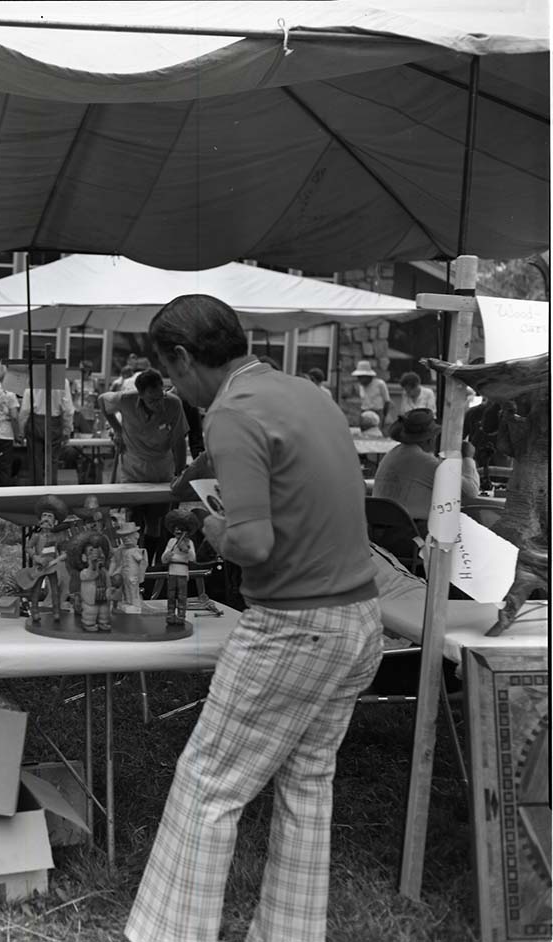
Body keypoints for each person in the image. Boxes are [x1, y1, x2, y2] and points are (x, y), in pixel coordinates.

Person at [126, 294, 383, 942]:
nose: (178, 388)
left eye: (171, 371)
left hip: (293, 626)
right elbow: (295, 475)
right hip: (359, 619)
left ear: (182, 359)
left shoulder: (230, 412)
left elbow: (253, 544)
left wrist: (206, 521)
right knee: (306, 787)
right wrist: (206, 473)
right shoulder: (304, 392)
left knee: (206, 784)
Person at [100, 368, 187, 542]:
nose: (159, 403)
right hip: (134, 470)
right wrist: (118, 430)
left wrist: (180, 473)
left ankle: (150, 564)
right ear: (140, 395)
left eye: (161, 396)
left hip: (161, 470)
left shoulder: (173, 404)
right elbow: (102, 401)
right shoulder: (125, 399)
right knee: (133, 519)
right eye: (152, 400)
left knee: (156, 521)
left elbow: (179, 441)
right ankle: (133, 559)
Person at [372, 408, 479, 530]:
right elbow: (471, 492)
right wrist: (468, 458)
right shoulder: (424, 461)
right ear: (430, 439)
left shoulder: (392, 454)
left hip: (382, 533)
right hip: (411, 535)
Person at [19, 378, 75, 485]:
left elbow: (25, 409)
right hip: (54, 422)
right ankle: (51, 493)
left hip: (35, 421)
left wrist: (21, 430)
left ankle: (36, 493)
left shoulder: (33, 378)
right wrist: (67, 429)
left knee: (35, 463)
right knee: (52, 462)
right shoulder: (62, 380)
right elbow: (68, 409)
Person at [352, 359, 391, 428]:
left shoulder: (380, 384)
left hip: (378, 412)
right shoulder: (361, 386)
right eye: (359, 377)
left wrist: (384, 417)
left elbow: (387, 401)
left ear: (368, 376)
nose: (359, 379)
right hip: (365, 412)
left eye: (362, 377)